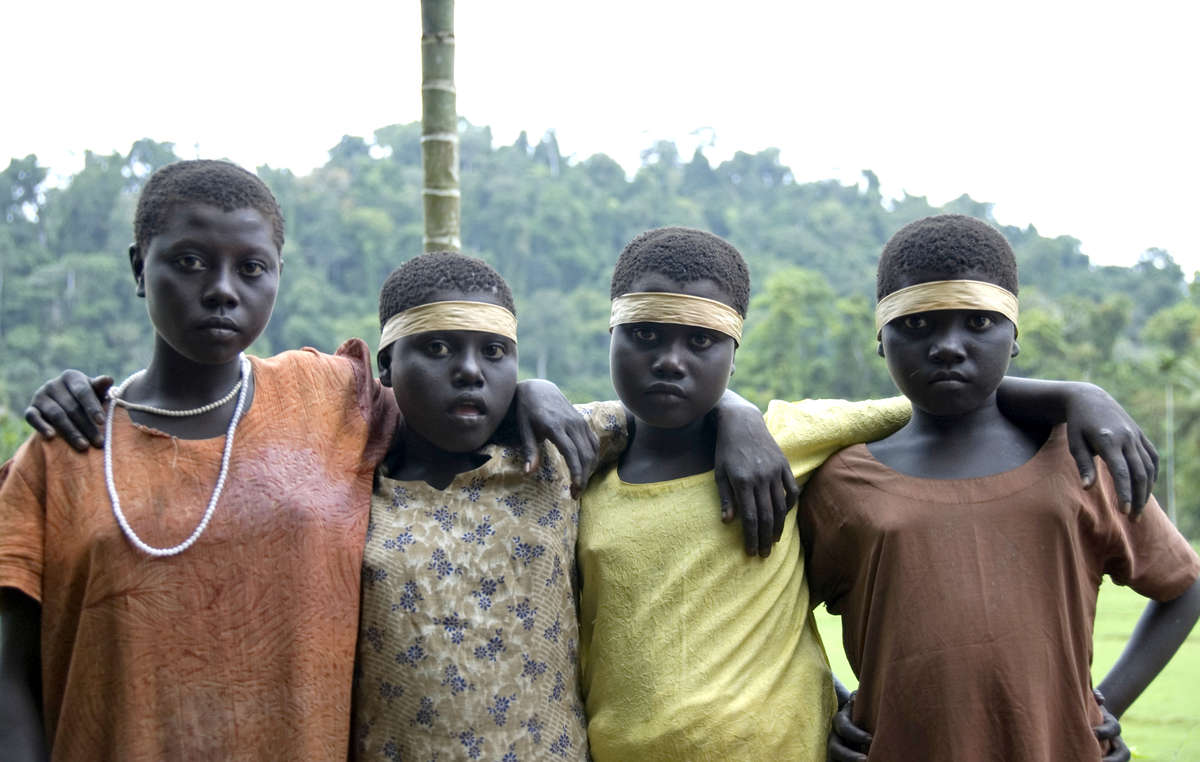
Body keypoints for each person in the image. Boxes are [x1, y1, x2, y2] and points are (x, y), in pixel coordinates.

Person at [577, 226, 1161, 761]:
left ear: (735, 348)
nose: (671, 361)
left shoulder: (795, 443)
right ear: (610, 335)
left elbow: (950, 404)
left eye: (703, 339)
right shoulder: (573, 470)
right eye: (644, 334)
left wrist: (1077, 395)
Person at [0, 159, 400, 759]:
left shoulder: (330, 400)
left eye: (251, 268)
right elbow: (7, 676)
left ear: (278, 276)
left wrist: (532, 394)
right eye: (189, 261)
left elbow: (458, 414)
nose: (221, 288)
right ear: (140, 267)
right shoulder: (66, 451)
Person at [799, 214, 1200, 761]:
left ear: (1015, 337)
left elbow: (1184, 585)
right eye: (917, 325)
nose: (948, 346)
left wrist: (1105, 706)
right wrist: (831, 703)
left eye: (979, 322)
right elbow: (770, 614)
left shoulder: (1078, 459)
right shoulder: (844, 482)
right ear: (880, 339)